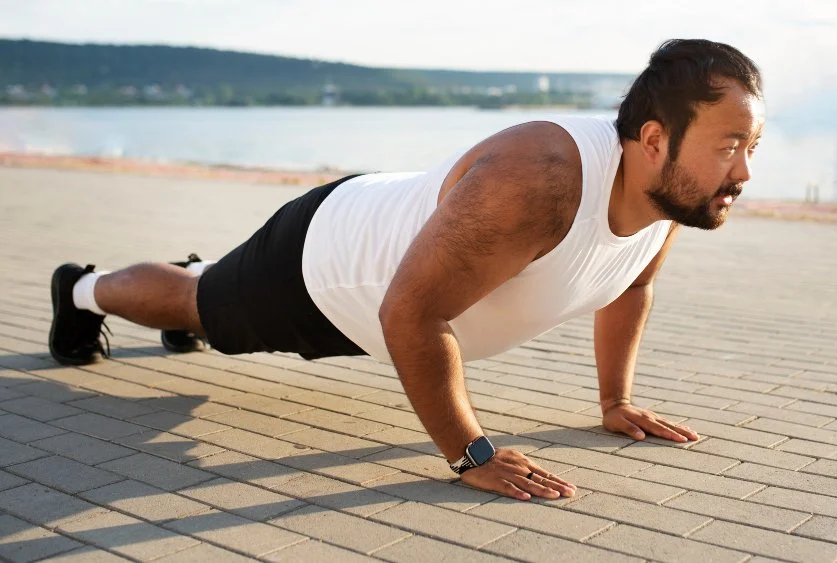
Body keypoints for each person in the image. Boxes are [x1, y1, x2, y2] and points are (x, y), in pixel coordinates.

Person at [48, 38, 764, 501]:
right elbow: (409, 314)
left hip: (393, 245)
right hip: (326, 266)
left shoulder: (664, 199)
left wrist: (615, 402)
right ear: (652, 138)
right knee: (196, 304)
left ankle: (204, 272)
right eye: (729, 145)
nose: (746, 170)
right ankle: (79, 288)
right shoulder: (541, 179)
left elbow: (631, 284)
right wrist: (469, 453)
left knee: (205, 290)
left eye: (752, 146)